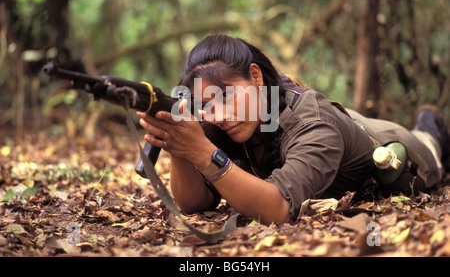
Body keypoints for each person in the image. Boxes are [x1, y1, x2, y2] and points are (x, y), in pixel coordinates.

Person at [137, 34, 449, 225]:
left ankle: (430, 122)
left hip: (393, 142)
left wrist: (203, 153)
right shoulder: (232, 119)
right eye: (207, 104)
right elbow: (193, 204)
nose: (218, 114)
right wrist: (178, 146)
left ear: (256, 78)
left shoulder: (313, 122)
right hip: (342, 124)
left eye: (227, 95)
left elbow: (279, 209)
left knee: (429, 141)